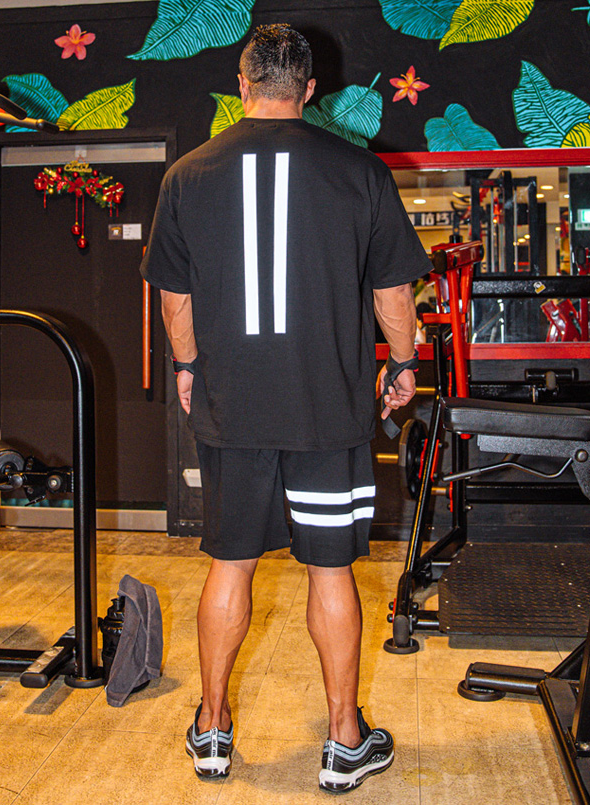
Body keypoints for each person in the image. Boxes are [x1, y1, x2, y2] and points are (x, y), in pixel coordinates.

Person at [140, 23, 431, 793]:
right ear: (309, 90)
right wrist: (404, 362)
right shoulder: (359, 170)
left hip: (233, 405)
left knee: (229, 564)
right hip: (327, 408)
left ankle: (212, 729)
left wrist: (187, 366)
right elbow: (393, 292)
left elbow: (173, 296)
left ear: (241, 86)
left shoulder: (187, 175)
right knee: (331, 571)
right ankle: (343, 740)